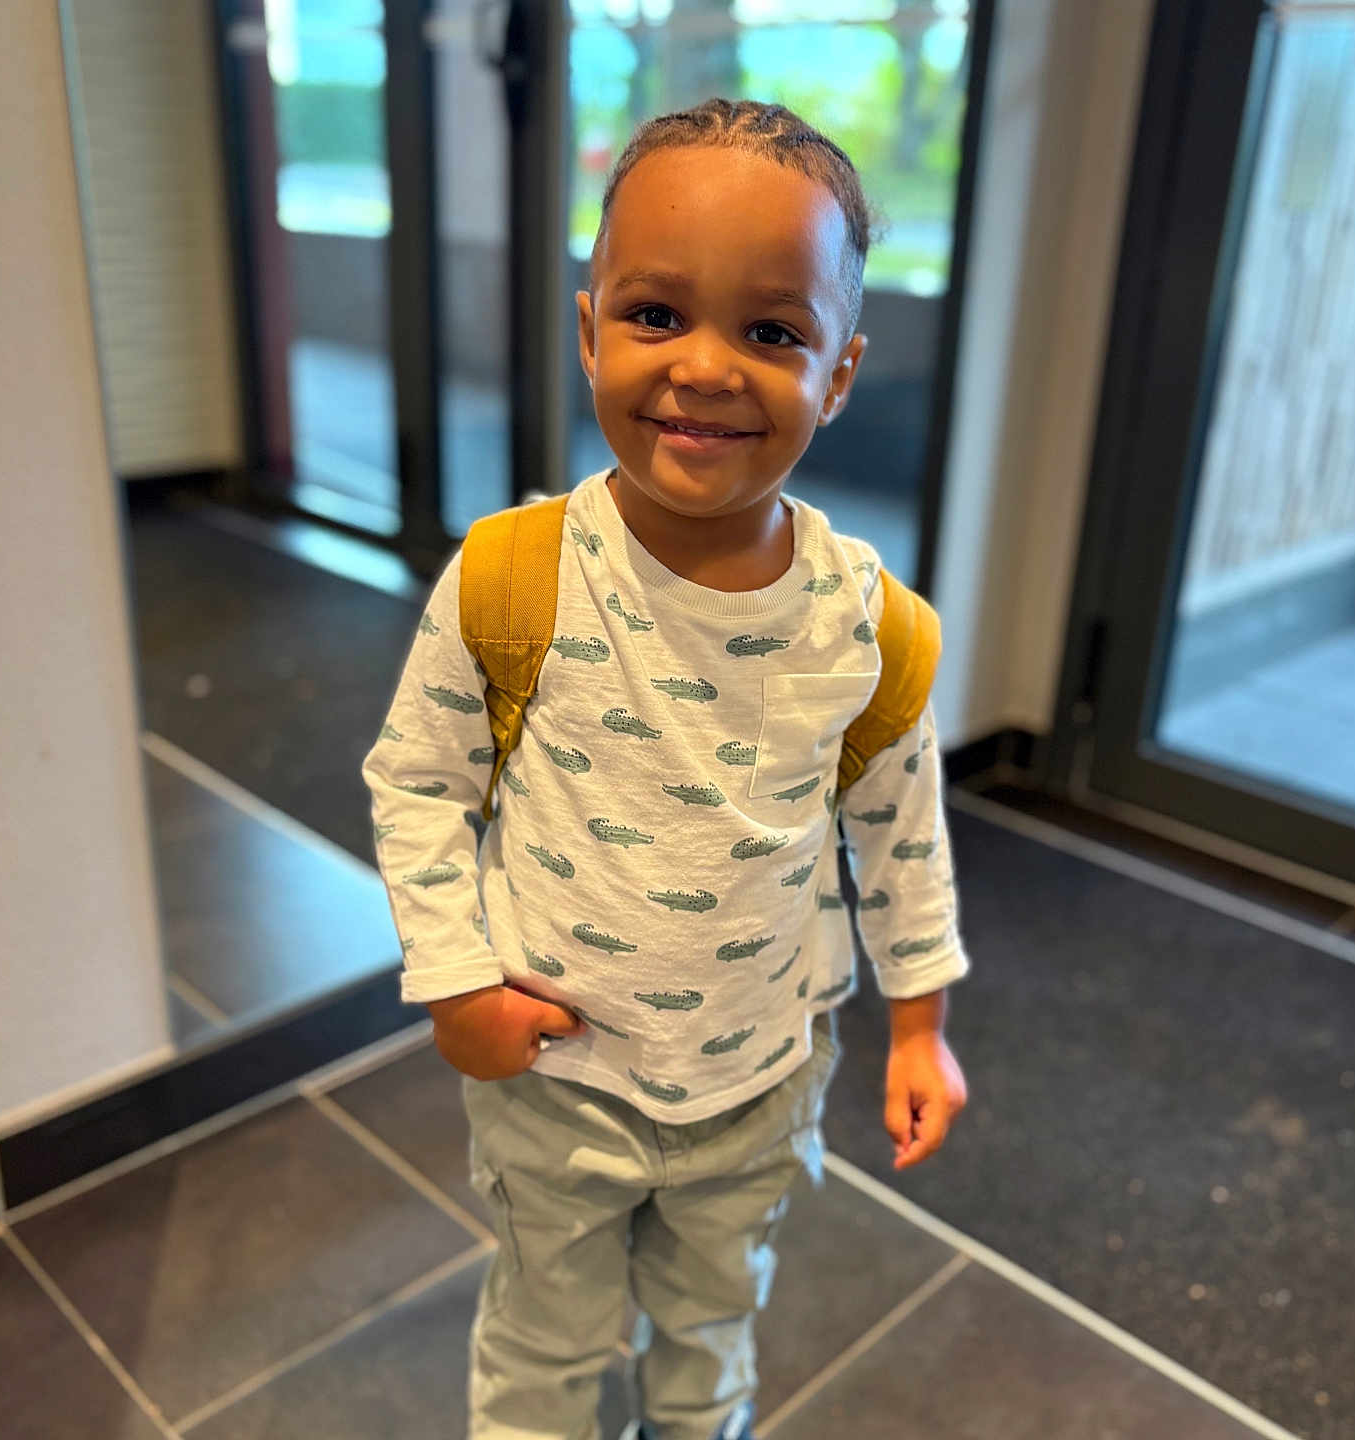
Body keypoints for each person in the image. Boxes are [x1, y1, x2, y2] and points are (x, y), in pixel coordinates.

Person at [362, 98, 970, 1440]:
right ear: (588, 328)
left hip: (756, 1085)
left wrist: (919, 1020)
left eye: (771, 332)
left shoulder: (873, 627)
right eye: (654, 315)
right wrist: (454, 982)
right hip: (557, 1081)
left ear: (841, 372)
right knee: (544, 1348)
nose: (705, 368)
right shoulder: (514, 578)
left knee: (712, 1334)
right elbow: (417, 783)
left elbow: (900, 831)